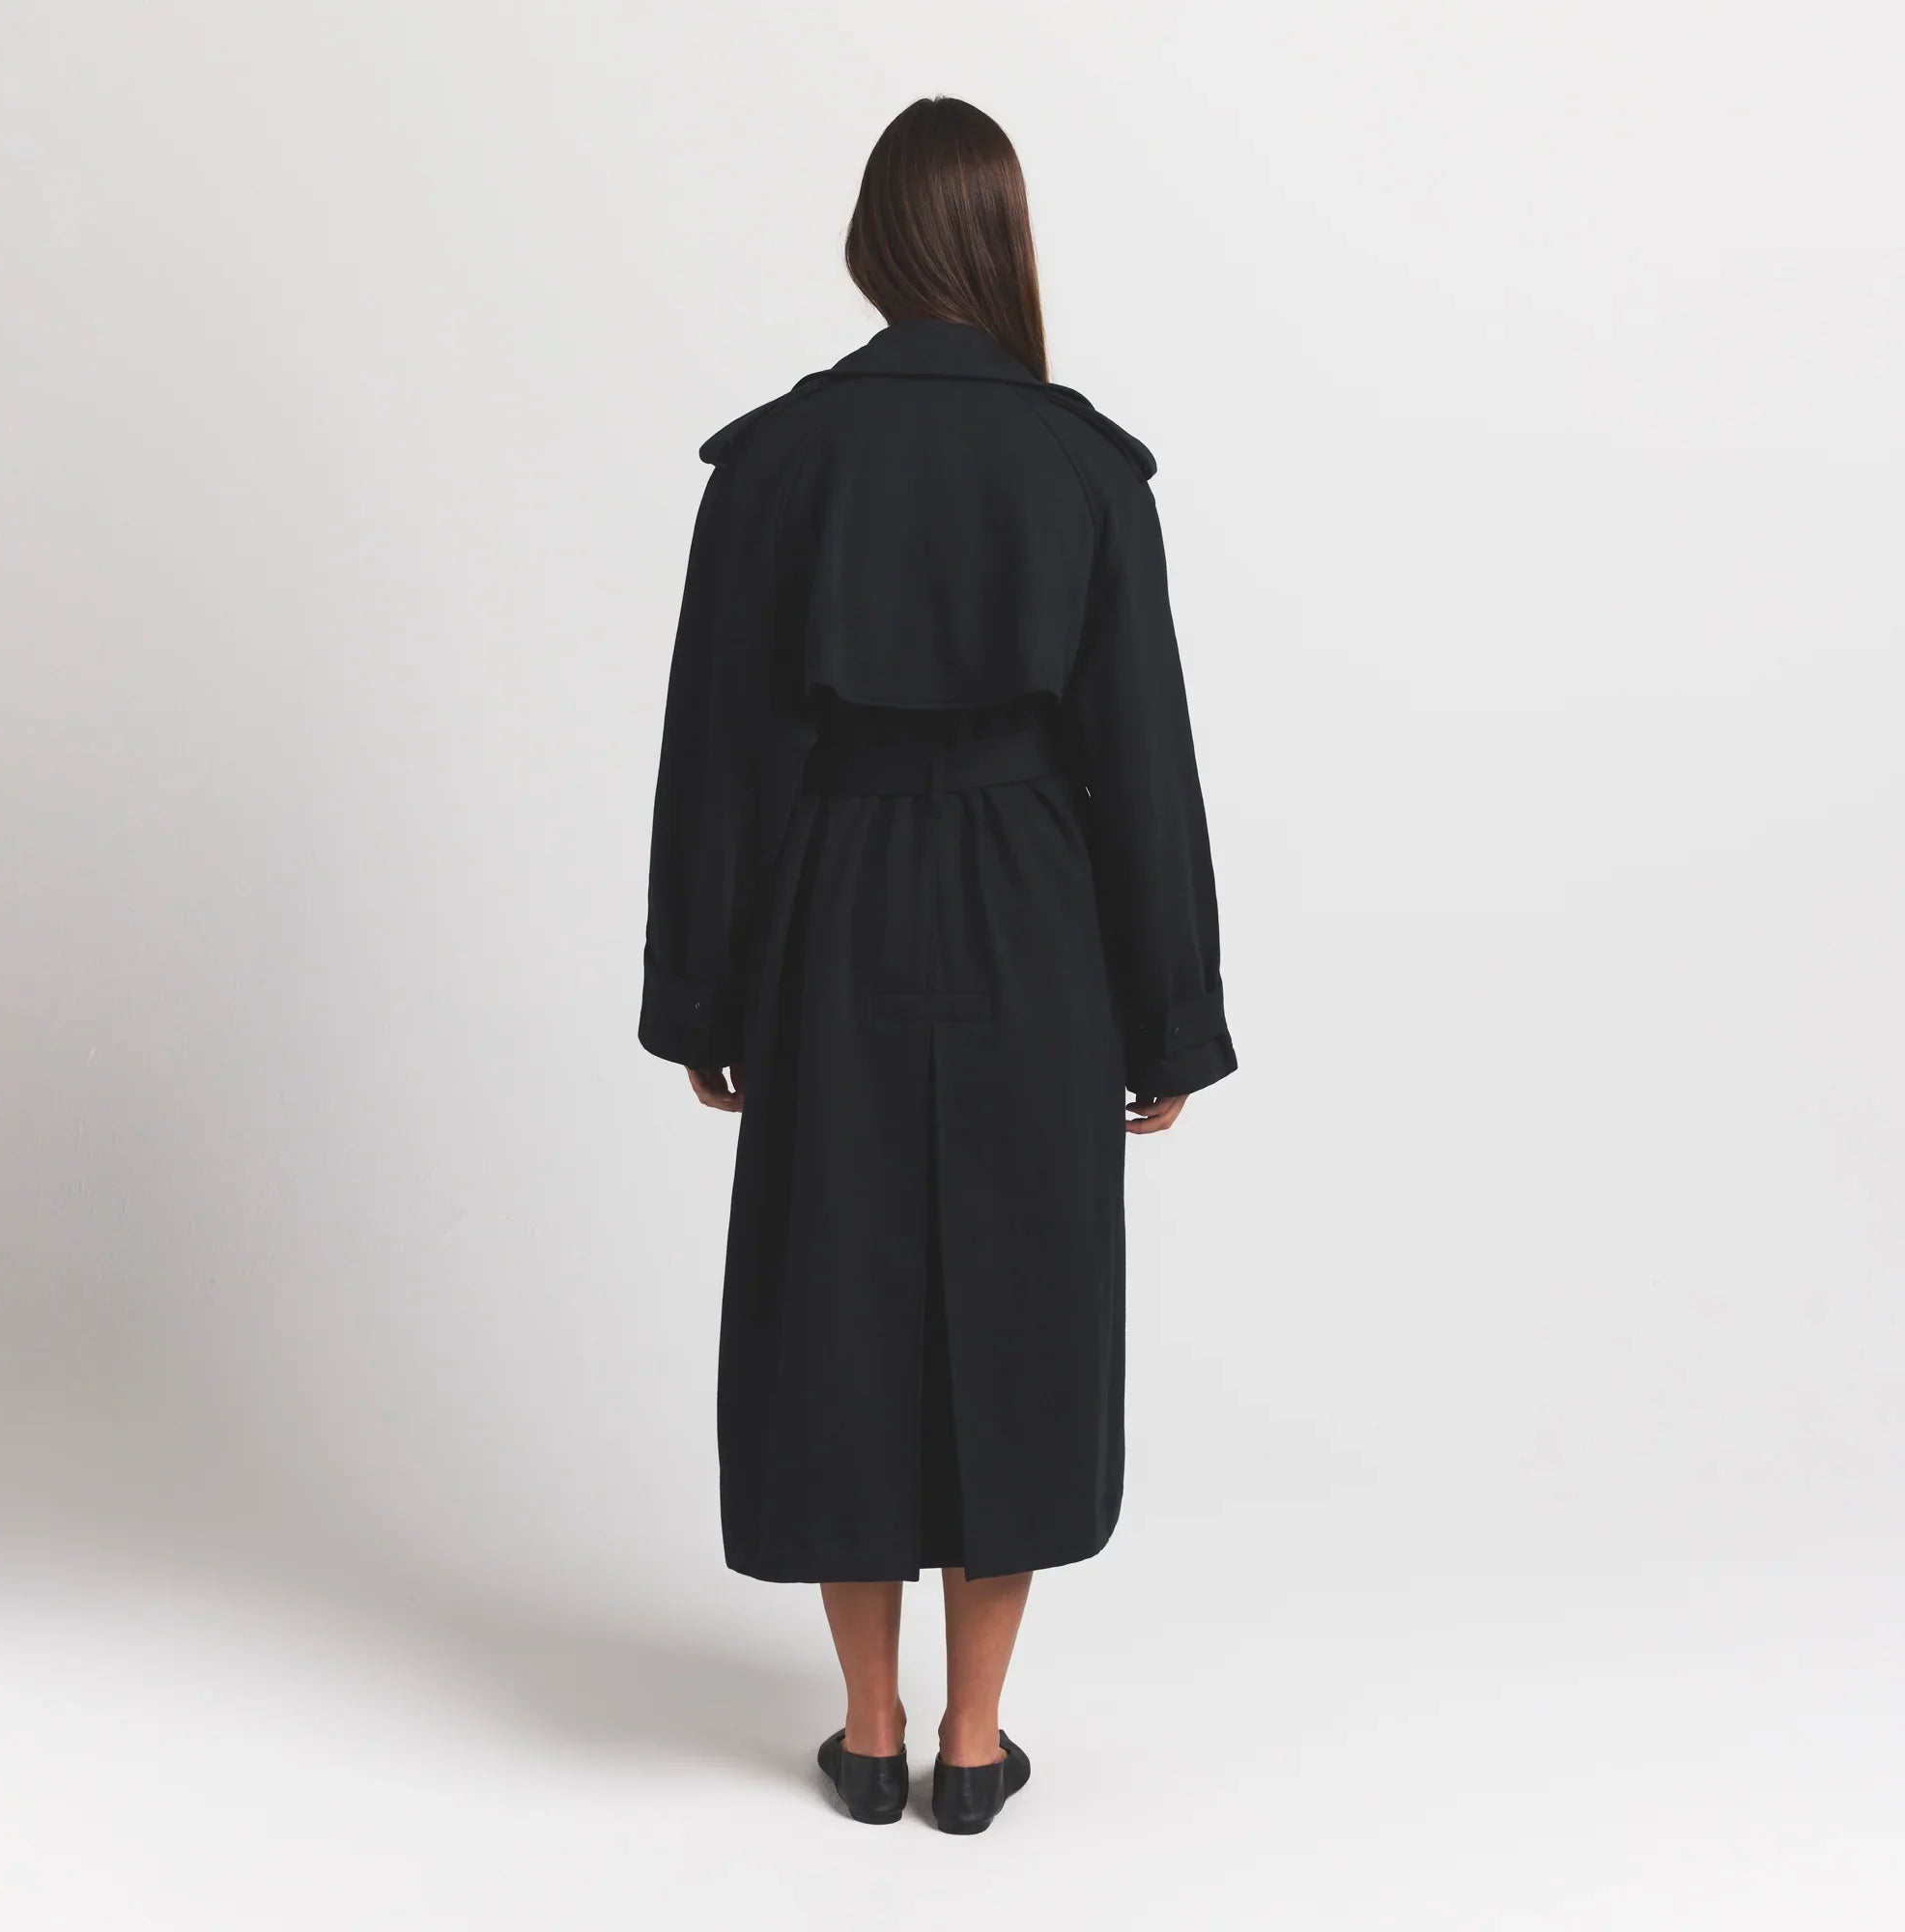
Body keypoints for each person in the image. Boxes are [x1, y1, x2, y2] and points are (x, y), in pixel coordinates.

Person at [639, 96, 1235, 1834]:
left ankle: (868, 1726)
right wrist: (1170, 1021)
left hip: (830, 908)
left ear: (871, 244)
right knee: (1023, 1302)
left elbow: (718, 758)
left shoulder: (775, 464)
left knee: (836, 1296)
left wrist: (703, 996)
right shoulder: (1084, 466)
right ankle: (975, 1742)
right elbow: (1144, 760)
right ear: (1003, 241)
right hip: (1038, 913)